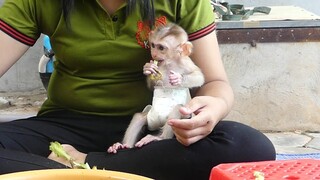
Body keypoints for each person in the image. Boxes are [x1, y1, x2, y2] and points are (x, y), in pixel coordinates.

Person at [0, 0, 276, 179]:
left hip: (155, 132)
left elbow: (216, 83)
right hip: (64, 126)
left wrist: (212, 108)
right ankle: (108, 171)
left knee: (247, 145)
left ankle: (77, 167)